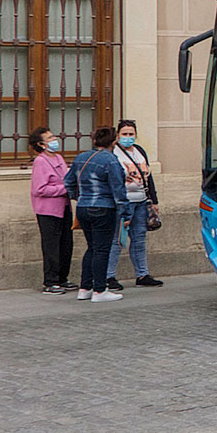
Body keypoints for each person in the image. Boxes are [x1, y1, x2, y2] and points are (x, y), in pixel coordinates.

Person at [66, 127, 127, 302]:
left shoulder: (81, 157)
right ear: (113, 142)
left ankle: (85, 288)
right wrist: (126, 212)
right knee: (101, 249)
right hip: (103, 207)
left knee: (92, 248)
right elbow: (118, 189)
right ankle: (100, 290)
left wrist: (78, 197)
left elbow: (68, 182)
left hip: (83, 207)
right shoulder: (111, 160)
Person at [108, 118, 162, 289]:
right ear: (117, 135)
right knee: (118, 240)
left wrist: (153, 200)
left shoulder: (139, 151)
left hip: (141, 202)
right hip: (124, 203)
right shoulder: (113, 153)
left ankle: (142, 274)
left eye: (131, 134)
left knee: (139, 238)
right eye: (124, 134)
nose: (128, 137)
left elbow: (149, 177)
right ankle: (109, 276)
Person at [29, 126, 73, 294]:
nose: (55, 140)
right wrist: (63, 189)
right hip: (48, 211)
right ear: (41, 144)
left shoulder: (59, 158)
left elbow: (67, 178)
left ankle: (63, 278)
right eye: (50, 138)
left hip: (65, 207)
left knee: (66, 244)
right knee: (51, 246)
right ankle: (50, 281)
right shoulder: (40, 161)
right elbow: (39, 189)